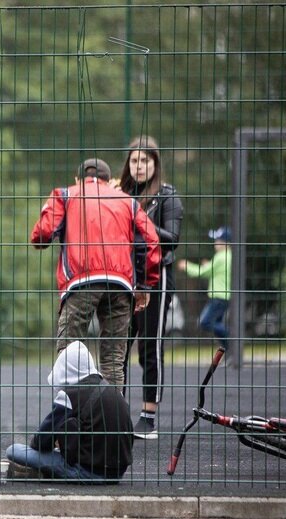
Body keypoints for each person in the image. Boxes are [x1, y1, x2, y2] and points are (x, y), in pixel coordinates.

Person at [30, 158, 161, 388]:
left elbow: (42, 235)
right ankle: (114, 420)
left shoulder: (65, 195)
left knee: (68, 355)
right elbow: (152, 240)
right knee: (113, 360)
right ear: (108, 180)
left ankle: (71, 416)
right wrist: (146, 285)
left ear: (78, 179)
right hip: (120, 284)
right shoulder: (127, 201)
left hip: (82, 281)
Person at [118, 136, 184, 440]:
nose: (139, 166)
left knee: (149, 345)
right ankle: (115, 412)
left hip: (157, 279)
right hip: (123, 278)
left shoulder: (168, 196)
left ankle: (148, 416)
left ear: (155, 164)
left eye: (145, 161)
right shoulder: (118, 194)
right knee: (117, 346)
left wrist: (139, 216)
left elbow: (172, 237)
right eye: (134, 161)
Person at [6, 341, 133, 484]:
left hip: (86, 472)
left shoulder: (70, 396)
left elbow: (40, 442)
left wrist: (57, 440)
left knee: (13, 450)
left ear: (65, 368)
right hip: (117, 473)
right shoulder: (114, 391)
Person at [177, 226, 232, 350]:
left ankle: (232, 339)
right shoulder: (228, 257)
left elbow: (201, 272)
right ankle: (228, 350)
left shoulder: (221, 257)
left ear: (226, 243)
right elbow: (214, 271)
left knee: (205, 322)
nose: (215, 243)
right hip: (224, 296)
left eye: (218, 241)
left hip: (219, 296)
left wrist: (186, 266)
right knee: (217, 324)